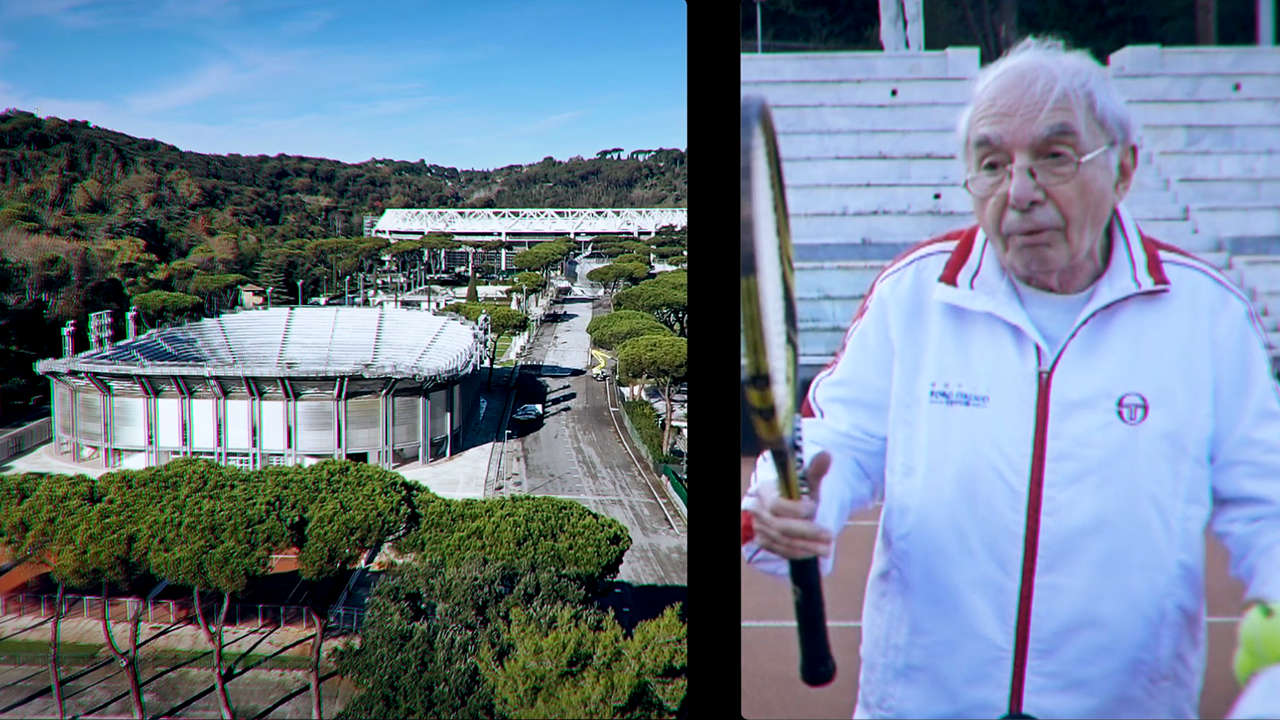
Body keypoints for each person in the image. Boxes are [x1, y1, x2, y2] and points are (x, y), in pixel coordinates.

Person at [741, 36, 1280, 719]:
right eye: (991, 164)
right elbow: (837, 439)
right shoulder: (913, 296)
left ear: (1124, 169)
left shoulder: (1208, 316)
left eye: (1053, 157)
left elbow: (1268, 500)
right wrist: (795, 502)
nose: (1019, 192)